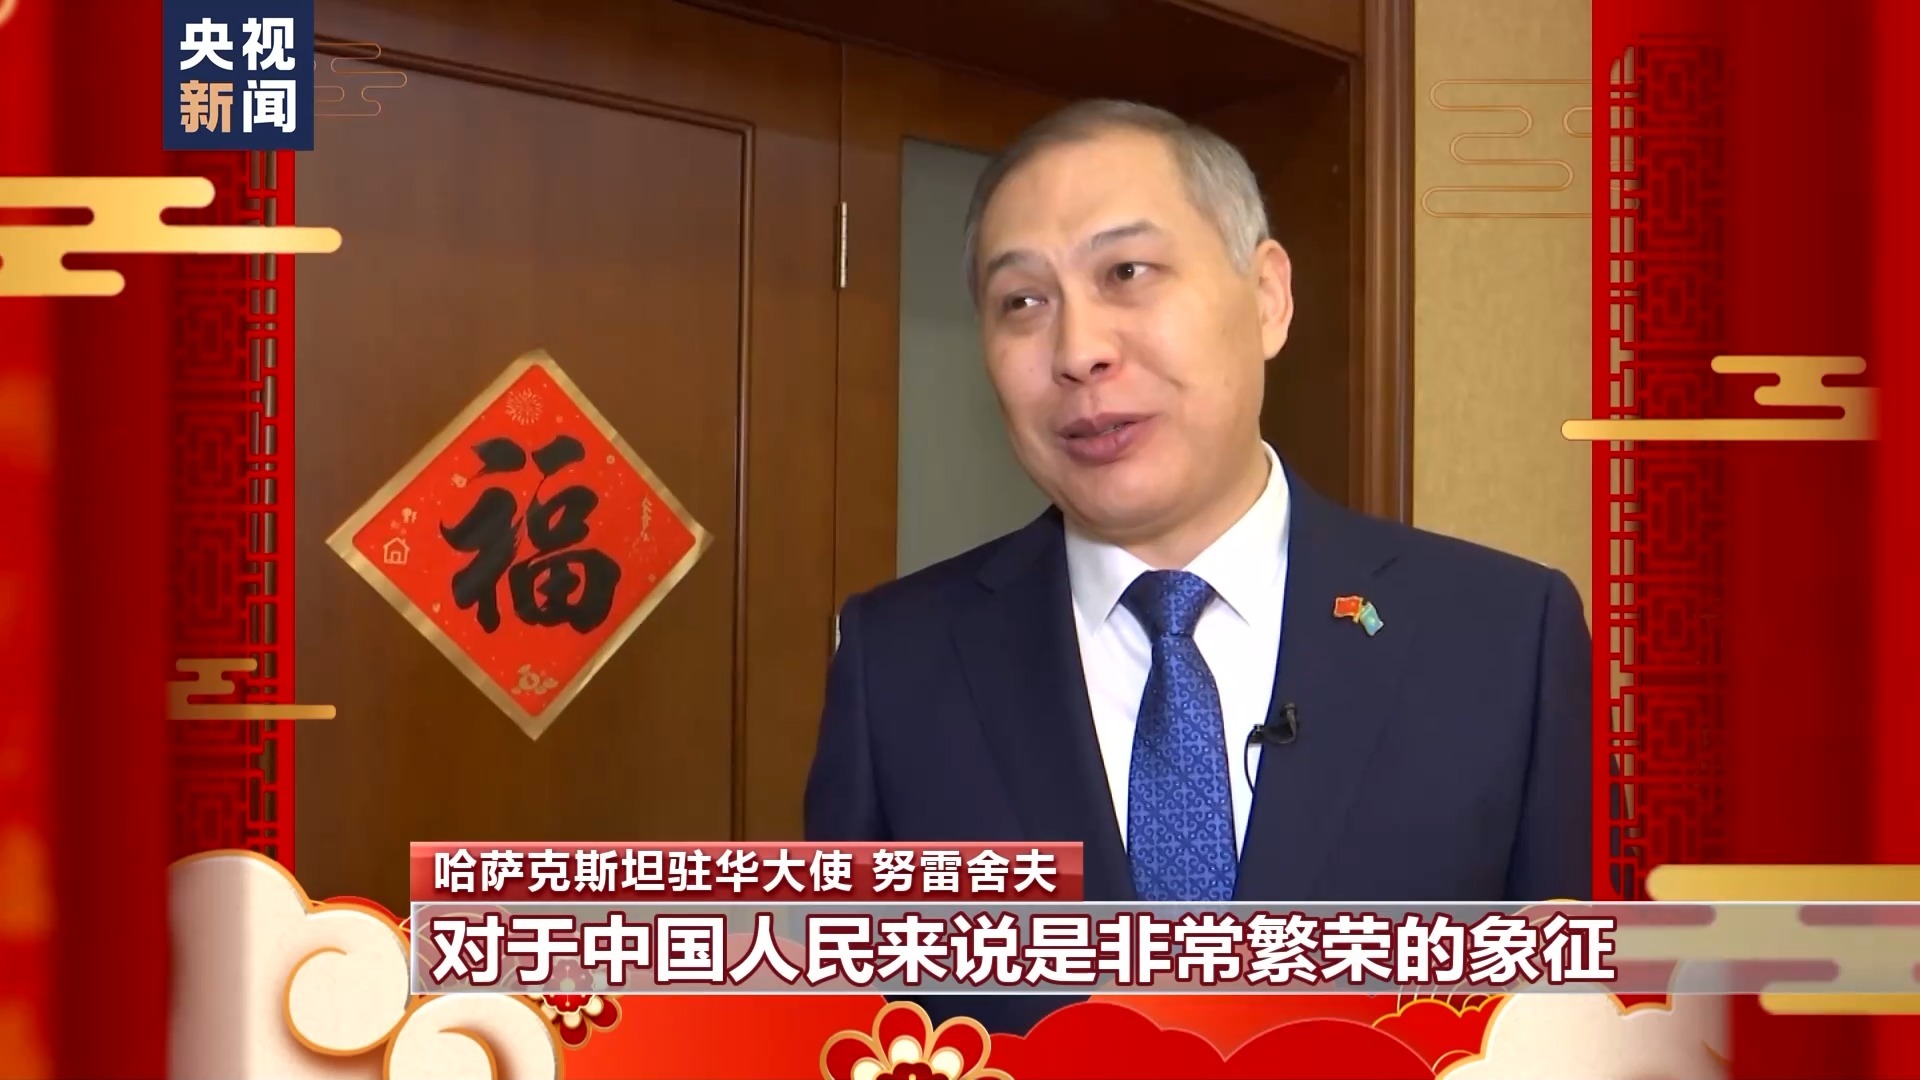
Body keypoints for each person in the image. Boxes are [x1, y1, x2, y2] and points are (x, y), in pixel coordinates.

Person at [804, 100, 1591, 1034]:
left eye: (1127, 272)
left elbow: (1585, 1031)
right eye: (1022, 302)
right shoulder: (896, 663)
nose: (1079, 352)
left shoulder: (1505, 637)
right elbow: (847, 1031)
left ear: (1267, 297)